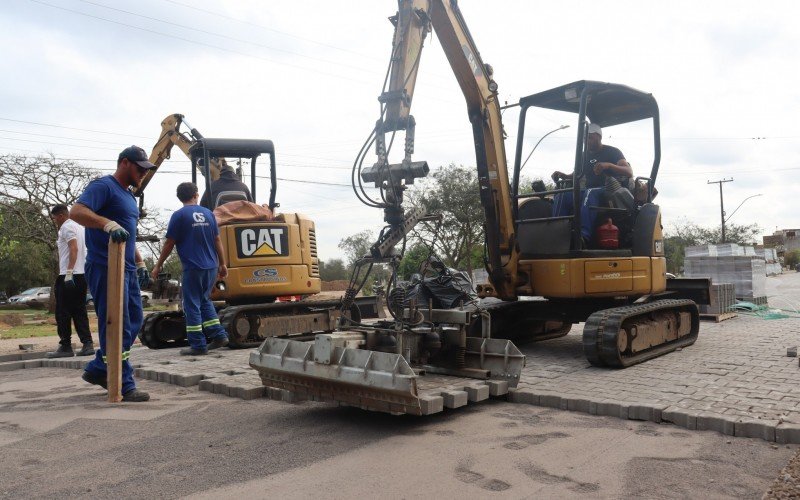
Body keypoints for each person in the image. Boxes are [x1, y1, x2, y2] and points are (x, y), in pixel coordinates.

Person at [69, 145, 156, 402]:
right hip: (105, 266)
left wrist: (139, 262)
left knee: (133, 321)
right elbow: (77, 211)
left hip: (126, 267)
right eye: (140, 168)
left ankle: (99, 367)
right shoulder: (104, 186)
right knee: (115, 323)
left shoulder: (129, 196)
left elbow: (128, 235)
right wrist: (106, 224)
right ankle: (122, 383)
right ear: (125, 163)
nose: (143, 173)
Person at [152, 182, 230, 355]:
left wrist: (158, 265)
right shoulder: (209, 214)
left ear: (180, 197)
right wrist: (222, 264)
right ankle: (218, 335)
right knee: (203, 300)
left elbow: (169, 242)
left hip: (193, 268)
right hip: (211, 267)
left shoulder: (179, 216)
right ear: (196, 194)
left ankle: (198, 345)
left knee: (191, 304)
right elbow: (217, 240)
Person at [551, 123, 632, 243]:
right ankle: (556, 233)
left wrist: (608, 165)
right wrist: (563, 176)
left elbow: (629, 172)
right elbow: (576, 175)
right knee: (562, 195)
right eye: (584, 138)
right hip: (589, 190)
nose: (586, 141)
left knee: (589, 193)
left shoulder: (613, 152)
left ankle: (583, 236)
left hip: (609, 190)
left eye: (589, 138)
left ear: (599, 137)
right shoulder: (584, 155)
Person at [46, 204, 94, 358]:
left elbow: (74, 248)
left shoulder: (66, 227)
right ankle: (87, 344)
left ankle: (65, 346)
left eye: (54, 219)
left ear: (60, 216)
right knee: (79, 310)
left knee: (62, 312)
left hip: (69, 275)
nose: (55, 222)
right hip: (81, 275)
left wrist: (68, 272)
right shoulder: (80, 227)